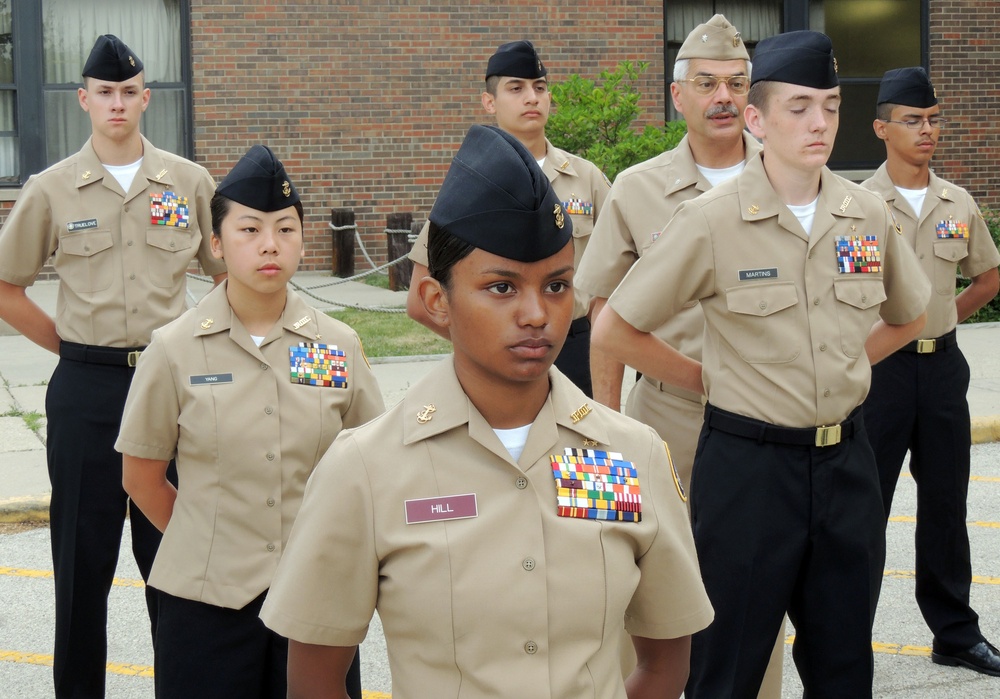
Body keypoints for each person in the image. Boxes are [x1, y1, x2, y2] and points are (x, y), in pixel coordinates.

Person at [260, 124, 712, 699]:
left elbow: (666, 663)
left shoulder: (633, 455)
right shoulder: (366, 469)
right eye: (502, 288)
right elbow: (315, 682)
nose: (536, 314)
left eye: (556, 286)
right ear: (437, 301)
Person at [592, 31, 931, 698]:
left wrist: (847, 364)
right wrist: (706, 379)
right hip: (749, 472)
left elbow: (911, 315)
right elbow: (615, 328)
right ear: (758, 118)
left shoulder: (863, 212)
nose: (819, 123)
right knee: (728, 669)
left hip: (846, 466)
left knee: (844, 666)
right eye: (799, 107)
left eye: (830, 106)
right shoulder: (710, 220)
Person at [0, 34, 226, 697]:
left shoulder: (188, 182)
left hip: (171, 389)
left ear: (146, 98)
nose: (117, 103)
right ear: (84, 100)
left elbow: (228, 276)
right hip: (87, 391)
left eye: (129, 92)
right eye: (105, 93)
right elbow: (6, 286)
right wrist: (71, 347)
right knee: (80, 565)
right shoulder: (51, 189)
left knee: (175, 562)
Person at [115, 145, 384, 698]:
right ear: (216, 244)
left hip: (313, 600)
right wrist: (209, 542)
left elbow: (376, 463)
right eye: (250, 230)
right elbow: (141, 477)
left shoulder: (337, 346)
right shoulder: (174, 348)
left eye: (286, 229)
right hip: (203, 604)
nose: (269, 244)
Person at [576, 16, 792, 699]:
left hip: (766, 424)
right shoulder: (637, 188)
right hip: (662, 420)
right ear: (678, 96)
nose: (722, 96)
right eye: (706, 83)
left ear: (753, 98)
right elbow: (602, 310)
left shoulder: (792, 185)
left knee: (756, 581)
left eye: (736, 83)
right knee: (640, 575)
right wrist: (604, 425)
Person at [861, 67, 1000, 676]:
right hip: (879, 375)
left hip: (942, 369)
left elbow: (987, 277)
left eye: (934, 120)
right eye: (913, 120)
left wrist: (940, 319)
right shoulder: (857, 205)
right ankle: (846, 635)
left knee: (946, 503)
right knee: (864, 506)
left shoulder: (956, 203)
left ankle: (955, 634)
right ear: (882, 129)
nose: (927, 130)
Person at [406, 40, 610, 397]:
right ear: (489, 102)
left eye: (540, 88)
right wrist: (482, 349)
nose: (532, 98)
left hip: (576, 347)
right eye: (516, 89)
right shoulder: (470, 185)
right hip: (499, 347)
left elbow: (619, 278)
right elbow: (419, 302)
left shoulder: (586, 178)